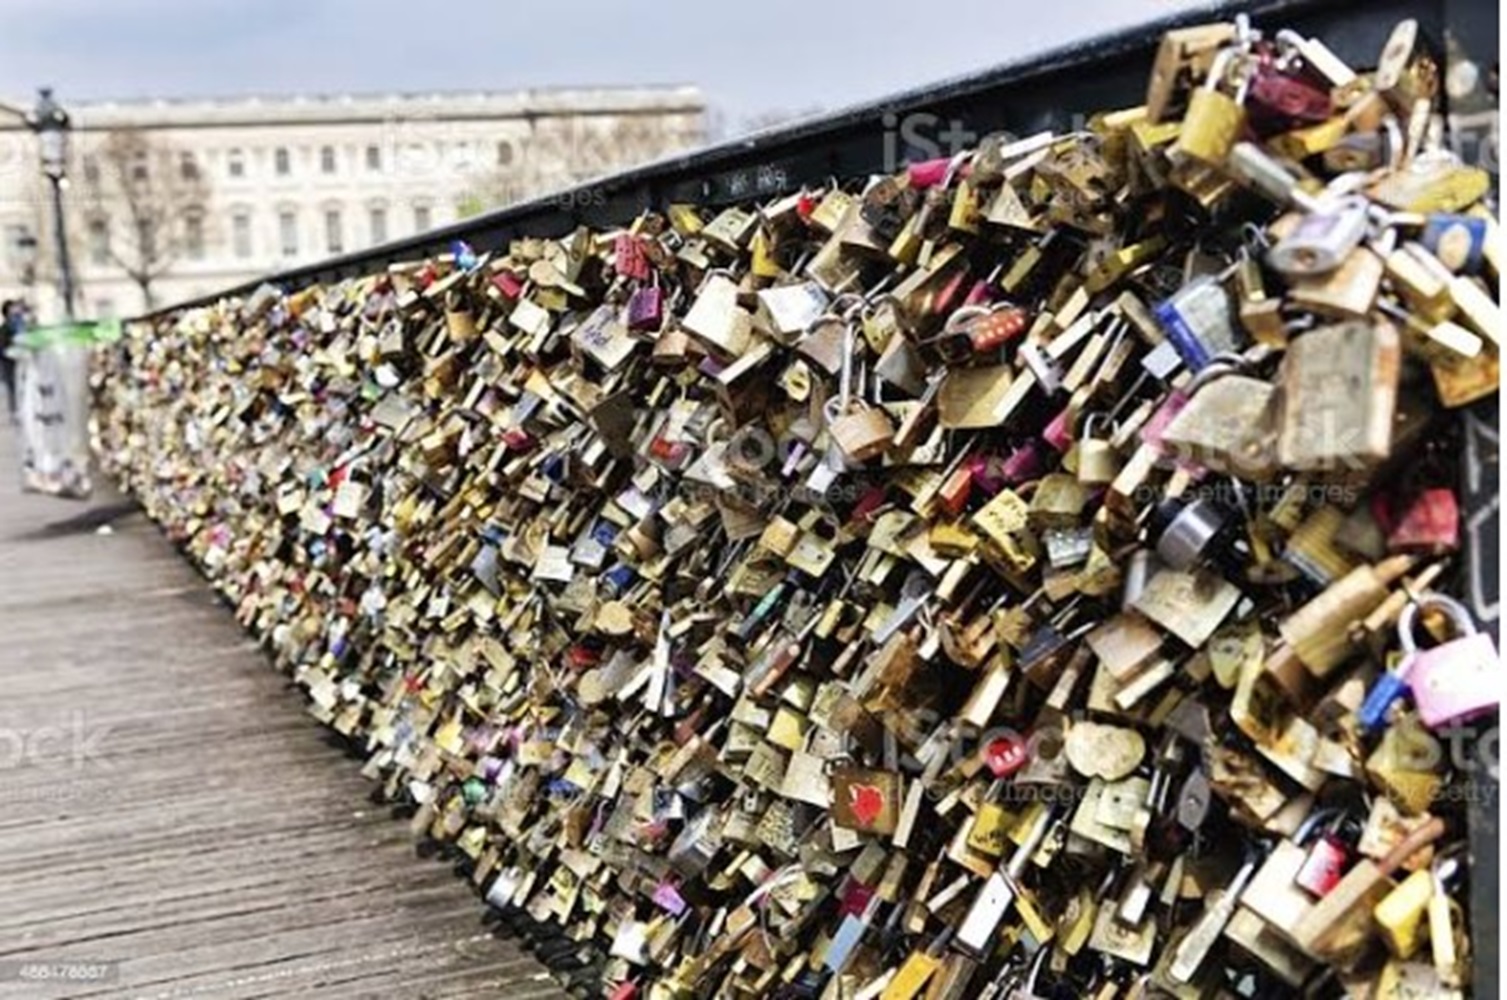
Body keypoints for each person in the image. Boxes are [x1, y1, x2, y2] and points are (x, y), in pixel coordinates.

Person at [0, 300, 19, 422]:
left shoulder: (16, 325)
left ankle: (16, 410)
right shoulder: (4, 328)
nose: (16, 311)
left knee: (16, 386)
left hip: (16, 360)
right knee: (12, 387)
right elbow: (2, 346)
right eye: (13, 308)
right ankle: (13, 412)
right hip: (8, 362)